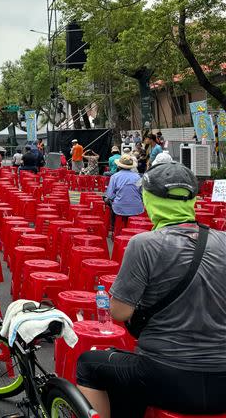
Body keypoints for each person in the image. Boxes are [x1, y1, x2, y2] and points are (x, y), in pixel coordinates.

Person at [77, 161, 226, 418]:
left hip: (167, 378)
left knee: (89, 365)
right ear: (192, 200)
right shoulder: (223, 240)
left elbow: (120, 313)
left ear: (149, 200)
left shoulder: (144, 244)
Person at [103, 154, 143, 232]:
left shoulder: (115, 177)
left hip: (119, 208)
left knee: (107, 200)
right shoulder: (138, 177)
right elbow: (141, 193)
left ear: (119, 166)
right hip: (136, 208)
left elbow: (110, 195)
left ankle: (113, 226)